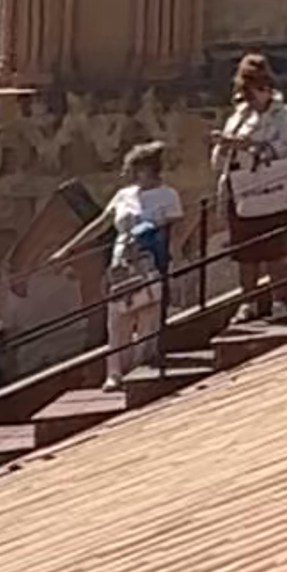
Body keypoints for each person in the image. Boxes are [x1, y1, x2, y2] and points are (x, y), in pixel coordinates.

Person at [83, 140, 181, 388]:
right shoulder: (123, 195)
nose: (123, 173)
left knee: (148, 317)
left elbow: (176, 229)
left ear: (143, 170)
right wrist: (68, 248)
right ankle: (115, 372)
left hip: (150, 262)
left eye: (128, 168)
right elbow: (101, 224)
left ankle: (140, 366)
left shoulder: (168, 195)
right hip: (122, 263)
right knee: (117, 320)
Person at [217, 54, 287, 321]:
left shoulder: (284, 115)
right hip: (240, 188)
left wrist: (248, 146)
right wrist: (223, 146)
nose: (251, 96)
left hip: (270, 188)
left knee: (275, 249)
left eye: (255, 89)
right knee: (245, 253)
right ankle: (248, 302)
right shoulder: (238, 116)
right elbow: (224, 154)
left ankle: (280, 301)